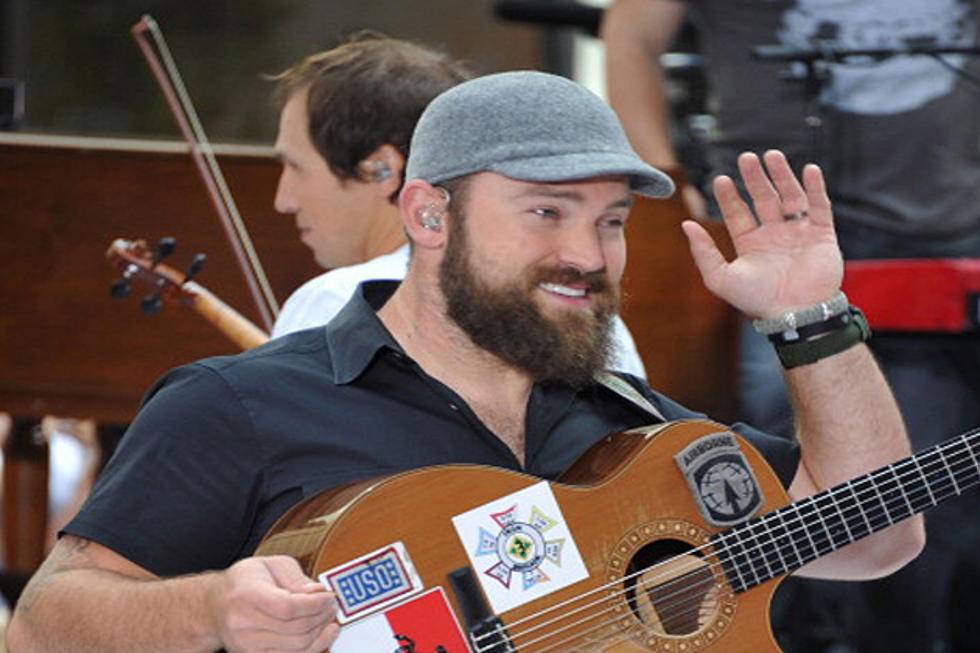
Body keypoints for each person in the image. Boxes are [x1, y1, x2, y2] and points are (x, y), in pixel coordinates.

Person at [5, 70, 924, 653]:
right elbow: (47, 625)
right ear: (428, 215)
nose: (591, 253)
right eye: (546, 211)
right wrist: (209, 611)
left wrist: (813, 318)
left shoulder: (639, 433)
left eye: (610, 220)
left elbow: (875, 535)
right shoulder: (243, 404)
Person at [602, 1, 980, 651]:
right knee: (794, 511)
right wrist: (663, 173)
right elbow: (632, 30)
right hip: (773, 242)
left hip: (953, 235)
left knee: (944, 511)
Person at [268, 33, 648, 378]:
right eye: (547, 212)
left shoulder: (335, 302)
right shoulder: (584, 313)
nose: (283, 200)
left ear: (382, 169)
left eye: (295, 167)